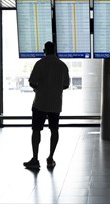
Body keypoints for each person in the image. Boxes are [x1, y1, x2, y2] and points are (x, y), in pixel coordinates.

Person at [23, 41, 70, 169]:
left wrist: (39, 88)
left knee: (36, 130)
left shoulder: (40, 63)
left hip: (40, 103)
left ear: (45, 50)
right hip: (55, 103)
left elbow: (32, 82)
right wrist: (55, 88)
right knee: (54, 130)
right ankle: (50, 158)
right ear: (55, 50)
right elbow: (66, 85)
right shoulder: (62, 65)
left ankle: (35, 158)